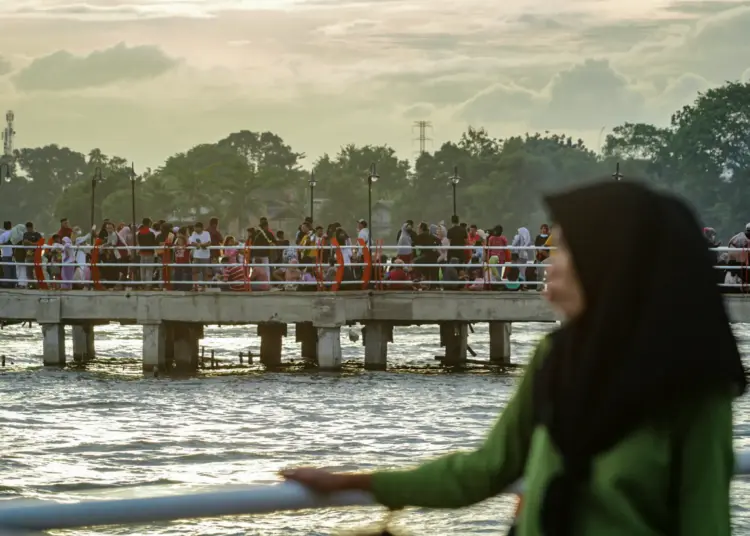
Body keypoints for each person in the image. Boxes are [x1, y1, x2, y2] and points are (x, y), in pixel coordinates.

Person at [282, 180, 746, 536]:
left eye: (564, 248)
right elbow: (485, 470)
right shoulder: (556, 359)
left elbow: (705, 524)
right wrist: (355, 482)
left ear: (609, 261)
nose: (548, 259)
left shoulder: (692, 387)